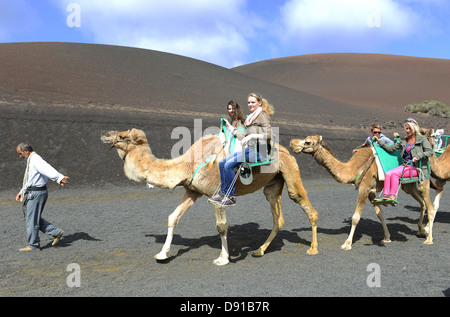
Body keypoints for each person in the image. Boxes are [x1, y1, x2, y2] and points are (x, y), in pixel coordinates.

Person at [209, 93, 274, 207]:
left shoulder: (262, 116)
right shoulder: (251, 118)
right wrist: (230, 127)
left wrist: (251, 136)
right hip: (250, 149)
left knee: (229, 165)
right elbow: (242, 135)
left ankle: (231, 196)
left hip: (260, 151)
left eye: (253, 102)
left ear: (260, 103)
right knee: (222, 163)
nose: (250, 104)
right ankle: (224, 193)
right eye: (249, 102)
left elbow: (269, 135)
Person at [15, 142, 69, 251]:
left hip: (36, 194)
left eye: (20, 153)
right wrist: (22, 191)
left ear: (26, 150)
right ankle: (56, 232)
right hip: (34, 192)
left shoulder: (35, 159)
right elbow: (30, 179)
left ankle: (33, 245)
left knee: (32, 220)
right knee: (33, 218)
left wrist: (59, 178)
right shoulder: (31, 160)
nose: (20, 156)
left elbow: (47, 169)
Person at [373, 118, 433, 203]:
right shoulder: (404, 140)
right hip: (406, 166)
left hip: (416, 168)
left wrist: (419, 156)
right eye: (406, 129)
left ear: (414, 128)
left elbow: (430, 152)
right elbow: (391, 148)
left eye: (409, 129)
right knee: (388, 173)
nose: (408, 131)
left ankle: (392, 196)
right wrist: (379, 142)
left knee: (394, 175)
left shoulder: (422, 139)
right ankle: (385, 196)